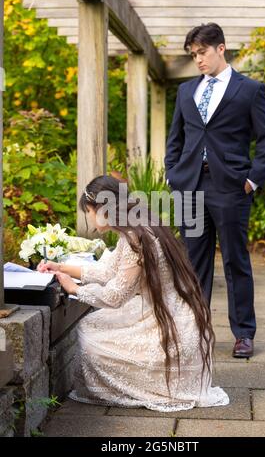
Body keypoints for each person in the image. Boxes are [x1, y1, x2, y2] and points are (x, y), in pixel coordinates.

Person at [38, 175, 229, 412]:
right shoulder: (136, 228)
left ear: (101, 208)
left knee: (90, 336)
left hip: (171, 326)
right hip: (172, 315)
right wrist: (62, 268)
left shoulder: (134, 238)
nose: (88, 217)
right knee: (94, 323)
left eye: (87, 211)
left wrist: (74, 288)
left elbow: (114, 297)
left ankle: (146, 384)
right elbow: (108, 270)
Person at [165, 23, 265, 358]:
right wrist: (174, 175)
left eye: (202, 52)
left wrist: (252, 179)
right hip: (189, 187)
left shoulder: (249, 90)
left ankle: (243, 333)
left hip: (230, 187)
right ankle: (195, 330)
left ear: (220, 48)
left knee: (235, 261)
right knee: (192, 262)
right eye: (193, 55)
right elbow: (176, 139)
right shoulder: (187, 92)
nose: (197, 60)